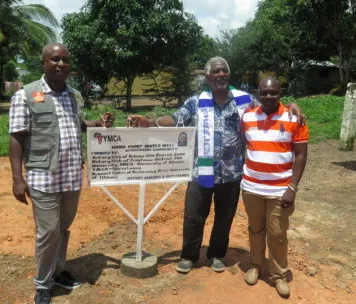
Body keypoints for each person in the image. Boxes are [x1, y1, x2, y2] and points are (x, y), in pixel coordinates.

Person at [126, 57, 303, 275]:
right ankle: (189, 256)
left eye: (224, 71)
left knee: (224, 218)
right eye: (216, 72)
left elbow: (271, 105)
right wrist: (150, 122)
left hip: (232, 173)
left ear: (228, 75)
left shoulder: (244, 100)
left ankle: (216, 254)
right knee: (193, 216)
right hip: (201, 172)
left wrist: (292, 105)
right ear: (208, 77)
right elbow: (176, 119)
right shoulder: (196, 101)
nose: (220, 75)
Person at [9, 43, 112, 304]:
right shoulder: (26, 95)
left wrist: (98, 124)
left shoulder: (74, 95)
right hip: (43, 175)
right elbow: (17, 137)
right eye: (55, 59)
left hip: (71, 176)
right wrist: (18, 178)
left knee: (63, 228)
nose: (61, 64)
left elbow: (77, 125)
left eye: (65, 60)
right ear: (43, 62)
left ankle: (57, 270)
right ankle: (43, 284)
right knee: (48, 231)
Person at [240, 76, 308, 298]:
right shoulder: (247, 116)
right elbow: (245, 145)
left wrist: (293, 187)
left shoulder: (293, 117)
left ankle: (278, 275)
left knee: (277, 233)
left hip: (280, 189)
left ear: (281, 93)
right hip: (251, 187)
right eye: (264, 92)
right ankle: (256, 266)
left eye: (274, 92)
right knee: (255, 229)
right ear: (257, 93)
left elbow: (300, 155)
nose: (269, 96)